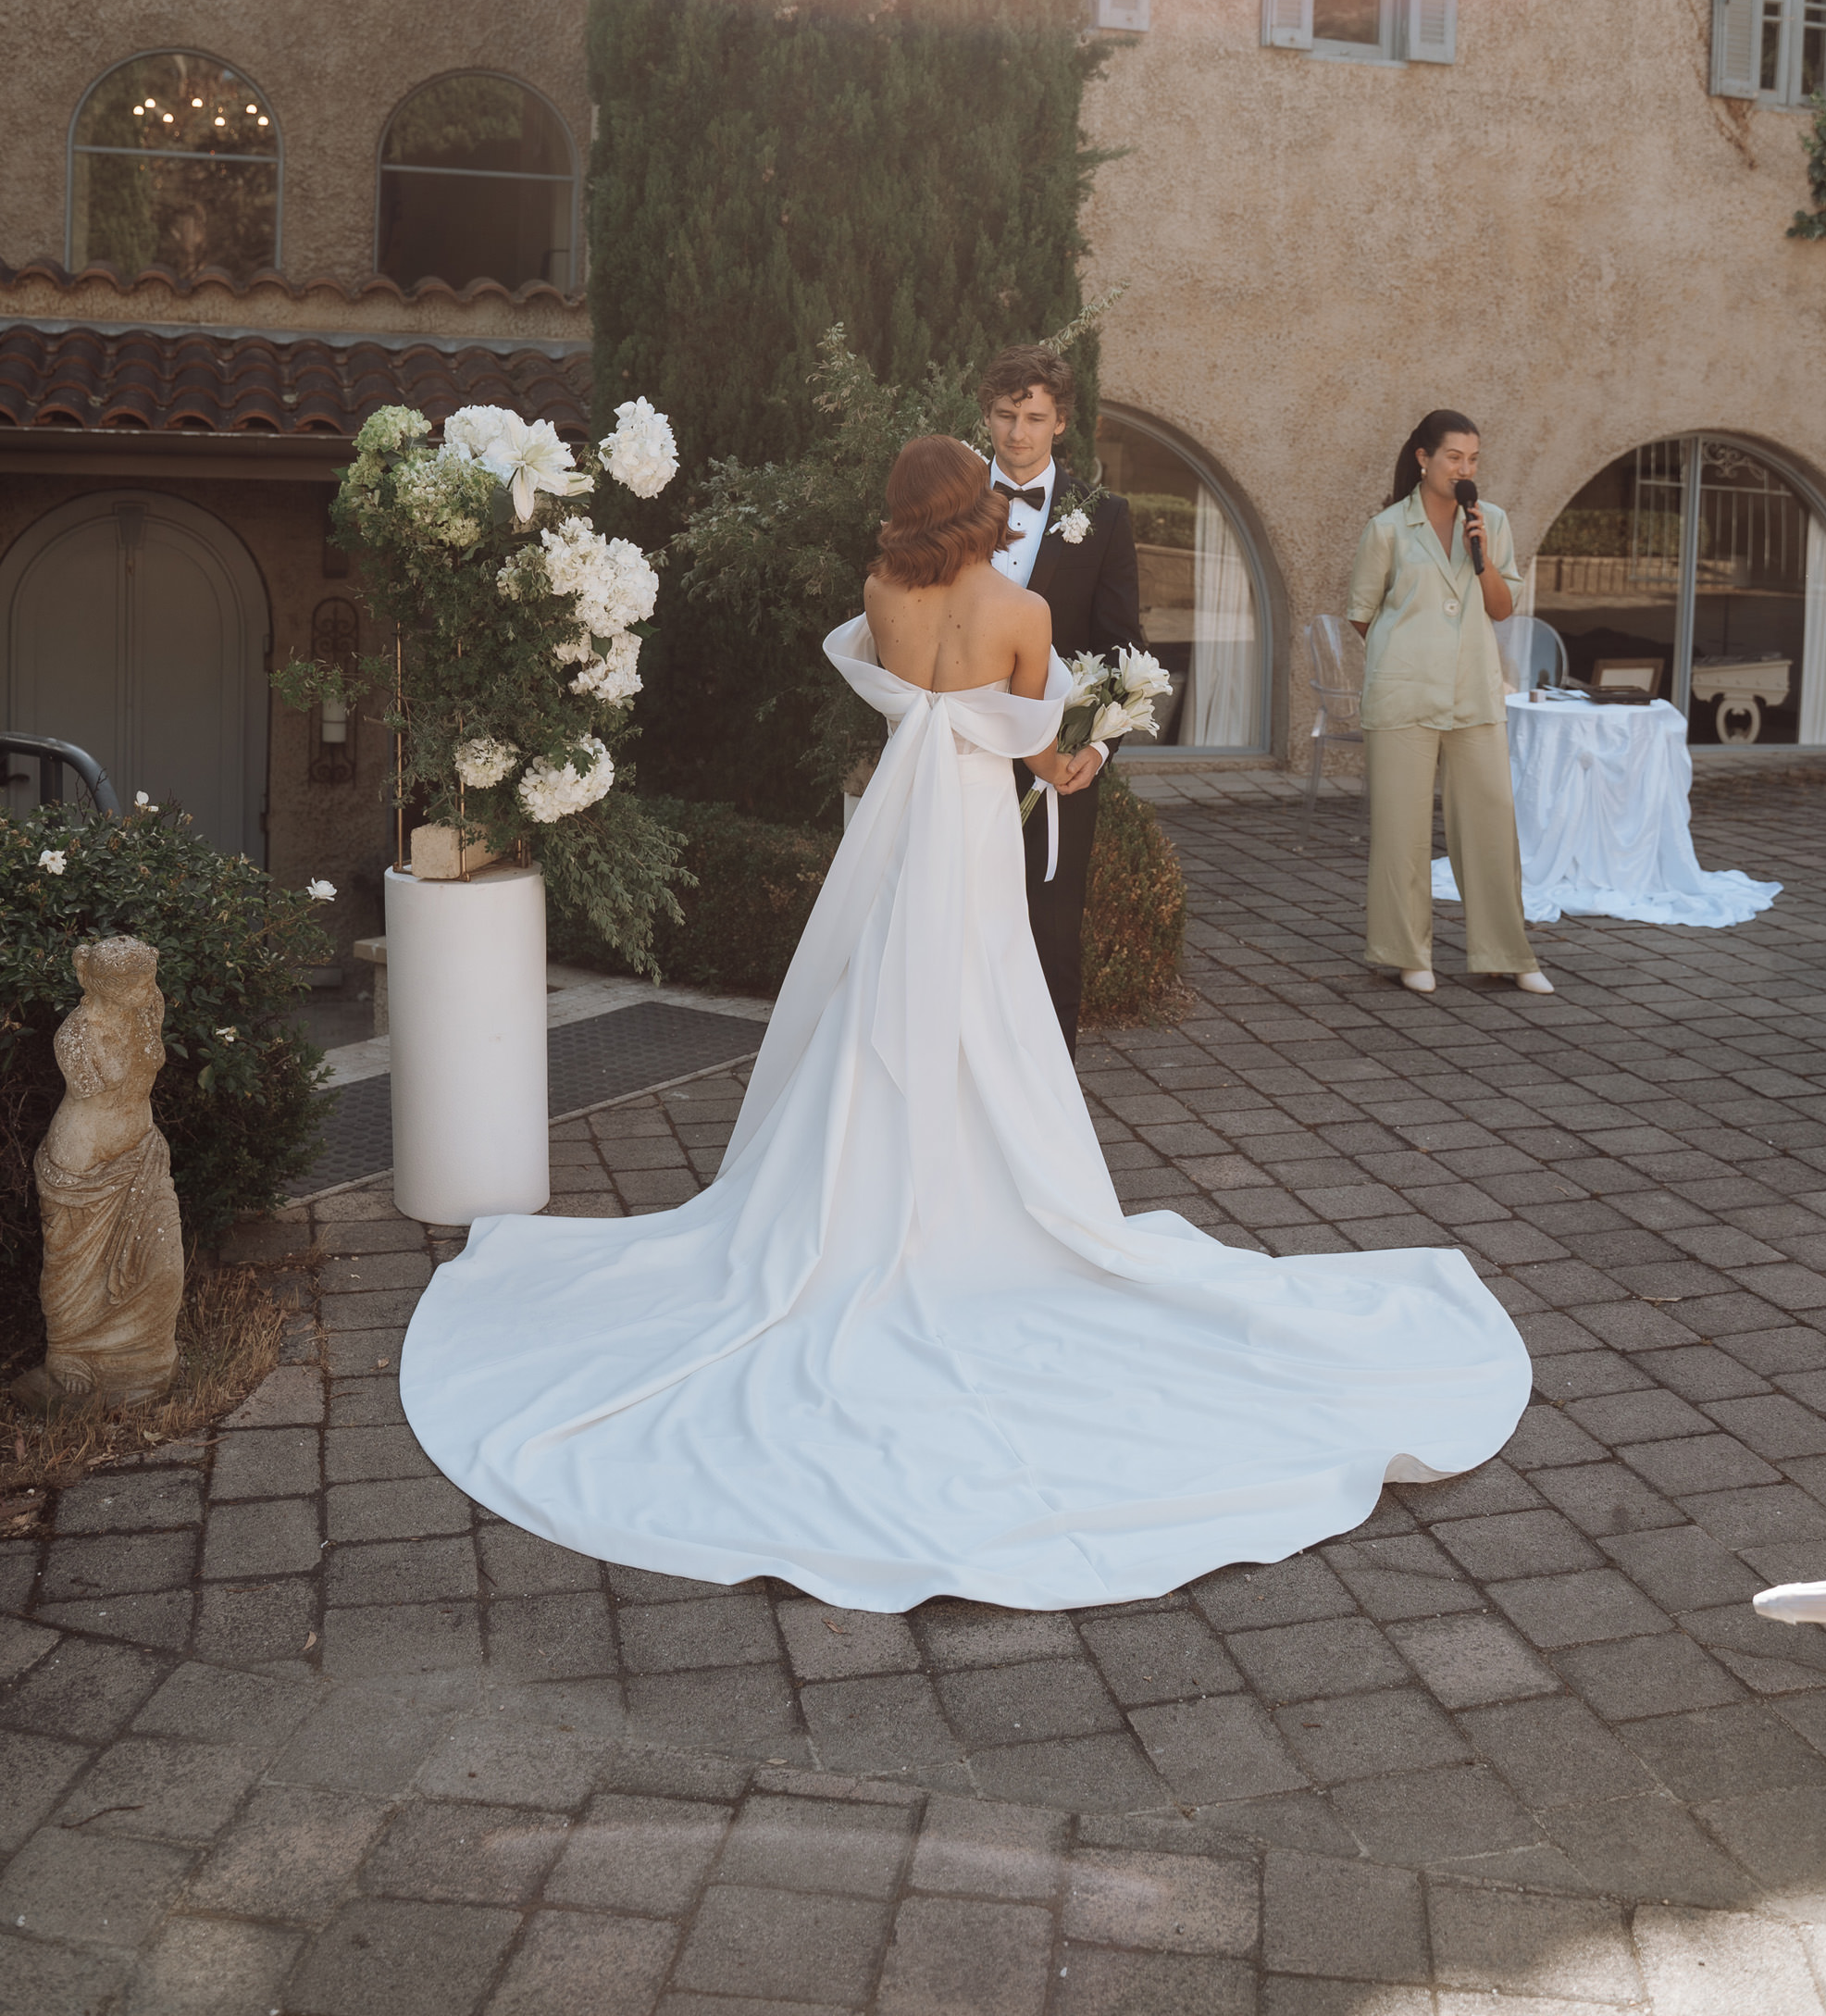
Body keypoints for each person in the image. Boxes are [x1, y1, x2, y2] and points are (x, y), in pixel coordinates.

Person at [399, 433, 1533, 1612]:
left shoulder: (881, 592)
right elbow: (1036, 746)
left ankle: (861, 1185)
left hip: (902, 819)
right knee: (982, 990)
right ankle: (978, 1189)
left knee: (882, 984)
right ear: (976, 503)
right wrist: (1082, 756)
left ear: (905, 508)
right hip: (973, 822)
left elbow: (903, 694)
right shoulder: (1022, 610)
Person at [1347, 409, 1552, 998]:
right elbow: (1362, 615)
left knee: (1492, 828)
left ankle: (1505, 953)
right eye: (1454, 457)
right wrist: (1410, 654)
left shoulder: (1492, 523)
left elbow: (1502, 608)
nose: (1465, 469)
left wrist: (1479, 553)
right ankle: (1404, 953)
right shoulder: (1387, 528)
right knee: (1401, 833)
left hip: (1474, 695)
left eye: (1473, 459)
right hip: (1404, 695)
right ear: (1424, 458)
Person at [979, 342, 1143, 1055]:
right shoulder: (951, 500)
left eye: (1035, 418)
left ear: (1062, 422)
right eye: (1005, 415)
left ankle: (1051, 1096)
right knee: (960, 922)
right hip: (961, 751)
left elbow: (1122, 647)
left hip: (1057, 759)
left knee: (1050, 929)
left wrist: (1096, 747)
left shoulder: (1104, 516)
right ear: (987, 416)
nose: (1018, 432)